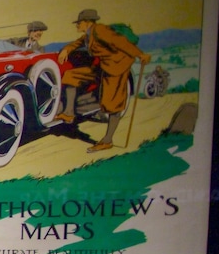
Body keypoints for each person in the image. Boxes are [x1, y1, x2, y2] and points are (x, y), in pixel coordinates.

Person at [55, 9, 151, 153]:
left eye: (79, 23)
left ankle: (107, 141)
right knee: (71, 76)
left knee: (112, 103)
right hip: (102, 66)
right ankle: (69, 113)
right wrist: (66, 50)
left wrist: (140, 54)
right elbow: (77, 43)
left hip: (116, 67)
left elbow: (120, 42)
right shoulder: (88, 34)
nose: (77, 25)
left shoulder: (100, 30)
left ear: (87, 22)